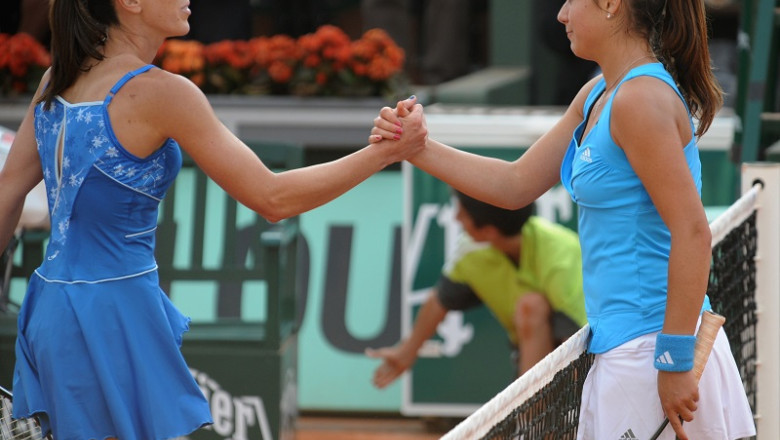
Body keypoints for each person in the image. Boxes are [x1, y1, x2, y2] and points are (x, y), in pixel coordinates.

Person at [0, 0, 424, 438]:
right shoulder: (161, 92)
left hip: (49, 310)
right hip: (114, 316)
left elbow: (7, 192)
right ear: (130, 3)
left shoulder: (58, 79)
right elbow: (273, 197)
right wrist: (386, 152)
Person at [370, 0, 755, 439]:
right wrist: (418, 147)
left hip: (654, 351)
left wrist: (673, 358)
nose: (561, 14)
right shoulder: (597, 95)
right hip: (625, 351)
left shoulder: (640, 99)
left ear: (611, 5)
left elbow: (692, 232)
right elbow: (515, 184)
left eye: (571, 0)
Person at [367, 191, 586, 388]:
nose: (455, 218)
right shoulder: (470, 251)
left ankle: (532, 413)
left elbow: (577, 336)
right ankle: (528, 417)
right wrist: (407, 352)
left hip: (581, 355)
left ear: (489, 231)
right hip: (529, 360)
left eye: (462, 214)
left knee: (531, 305)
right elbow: (440, 300)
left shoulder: (561, 252)